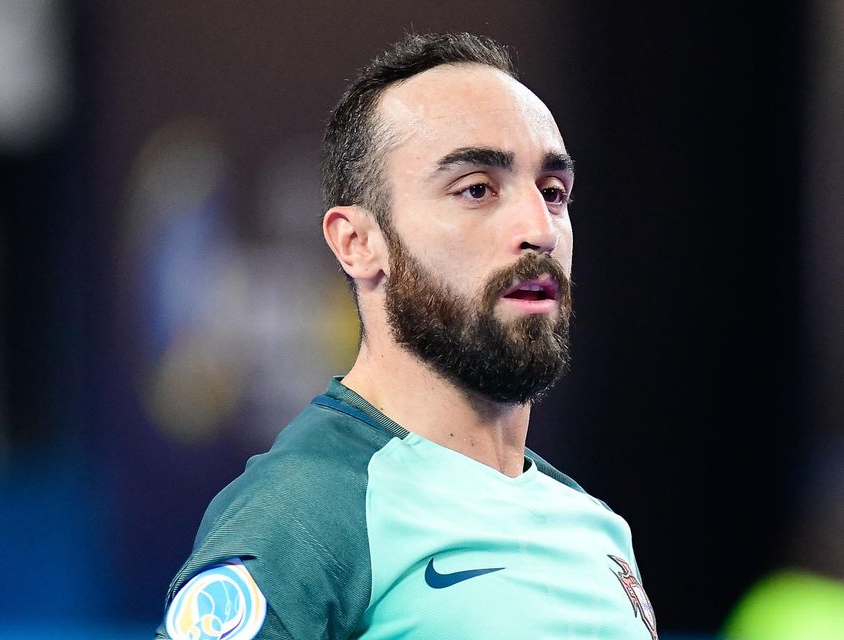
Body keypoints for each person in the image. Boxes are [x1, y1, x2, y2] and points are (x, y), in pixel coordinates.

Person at [155, 32, 655, 640]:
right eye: (477, 189)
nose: (540, 230)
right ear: (357, 243)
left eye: (552, 193)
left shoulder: (597, 530)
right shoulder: (307, 512)